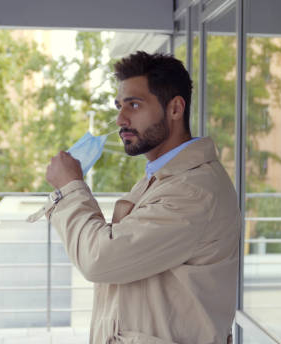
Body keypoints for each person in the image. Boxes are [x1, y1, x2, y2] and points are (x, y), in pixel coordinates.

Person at [40, 51, 240, 344]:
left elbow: (100, 259)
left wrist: (70, 188)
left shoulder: (192, 191)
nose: (121, 119)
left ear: (175, 108)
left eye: (134, 105)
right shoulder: (162, 177)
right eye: (119, 106)